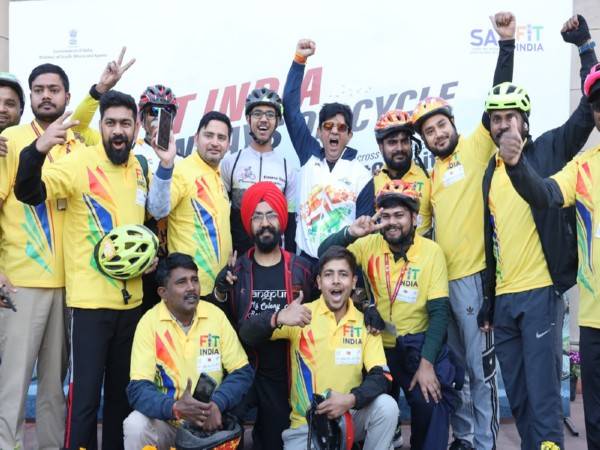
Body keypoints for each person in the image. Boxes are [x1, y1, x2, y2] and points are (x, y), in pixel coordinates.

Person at [479, 16, 599, 449]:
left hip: (542, 292)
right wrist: (490, 301)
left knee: (546, 399)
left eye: (511, 116)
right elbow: (491, 242)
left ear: (525, 122)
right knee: (522, 399)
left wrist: (585, 46)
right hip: (505, 302)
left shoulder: (550, 148)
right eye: (496, 118)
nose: (503, 125)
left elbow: (591, 105)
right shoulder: (487, 173)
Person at [14, 90, 149, 450]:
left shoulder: (138, 168)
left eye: (124, 123)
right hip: (89, 305)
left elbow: (141, 228)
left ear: (136, 127)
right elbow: (28, 191)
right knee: (85, 401)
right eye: (110, 123)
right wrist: (37, 149)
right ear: (100, 127)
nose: (117, 131)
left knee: (121, 400)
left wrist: (149, 257)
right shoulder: (79, 162)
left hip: (131, 303)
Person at [410, 12, 517, 449]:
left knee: (479, 370)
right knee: (456, 371)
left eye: (441, 125)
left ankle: (486, 444)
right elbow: (420, 231)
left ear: (453, 124)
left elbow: (498, 99)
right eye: (429, 131)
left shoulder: (475, 147)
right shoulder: (430, 175)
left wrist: (506, 44)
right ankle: (468, 439)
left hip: (475, 281)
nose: (437, 133)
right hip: (441, 288)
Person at [319, 180, 460, 450]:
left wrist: (427, 363)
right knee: (368, 403)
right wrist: (351, 232)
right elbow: (324, 256)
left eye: (399, 215)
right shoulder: (369, 243)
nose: (392, 222)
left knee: (430, 398)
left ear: (414, 218)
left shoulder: (432, 252)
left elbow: (440, 312)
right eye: (385, 216)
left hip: (416, 345)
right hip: (376, 346)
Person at [0, 63, 87, 450]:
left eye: (54, 89)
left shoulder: (77, 143)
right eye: (38, 90)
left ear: (67, 96)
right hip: (21, 283)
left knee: (55, 388)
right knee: (14, 384)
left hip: (68, 285)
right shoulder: (10, 140)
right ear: (30, 98)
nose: (46, 95)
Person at [240, 245, 398, 450]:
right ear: (318, 282)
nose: (336, 281)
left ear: (353, 281)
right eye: (328, 275)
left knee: (387, 406)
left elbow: (382, 377)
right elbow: (246, 334)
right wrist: (278, 317)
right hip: (306, 427)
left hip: (348, 418)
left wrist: (350, 400)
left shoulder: (366, 323)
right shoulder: (301, 315)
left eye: (343, 274)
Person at [212, 181, 314, 450]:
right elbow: (225, 323)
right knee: (222, 435)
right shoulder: (238, 270)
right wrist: (220, 291)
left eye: (271, 215)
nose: (265, 222)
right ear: (249, 223)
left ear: (281, 219)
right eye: (257, 216)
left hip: (282, 376)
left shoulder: (301, 270)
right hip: (241, 371)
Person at [123, 252, 253, 450]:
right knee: (135, 425)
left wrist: (217, 404)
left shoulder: (214, 315)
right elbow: (138, 388)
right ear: (163, 292)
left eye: (194, 280)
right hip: (167, 420)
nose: (191, 287)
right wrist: (175, 408)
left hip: (208, 421)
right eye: (181, 282)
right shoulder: (149, 323)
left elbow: (242, 372)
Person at [282, 39, 371, 268]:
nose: (334, 132)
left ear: (350, 135)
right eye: (328, 126)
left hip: (341, 266)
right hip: (305, 263)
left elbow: (365, 233)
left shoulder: (362, 176)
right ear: (319, 132)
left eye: (341, 128)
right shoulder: (308, 154)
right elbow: (290, 109)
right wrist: (299, 61)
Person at [147, 111, 233, 298]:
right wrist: (166, 164)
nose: (215, 142)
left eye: (221, 137)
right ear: (196, 138)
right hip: (189, 290)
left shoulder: (218, 176)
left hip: (218, 289)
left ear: (228, 144)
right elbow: (157, 209)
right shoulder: (182, 171)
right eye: (208, 135)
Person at [221, 87, 298, 254]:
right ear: (248, 118)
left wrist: (291, 263)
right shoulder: (230, 163)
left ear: (277, 121)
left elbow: (290, 223)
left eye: (270, 115)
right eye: (257, 114)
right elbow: (220, 216)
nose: (263, 119)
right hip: (239, 260)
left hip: (273, 259)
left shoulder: (287, 169)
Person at [356, 109, 432, 236]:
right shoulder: (372, 184)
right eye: (392, 142)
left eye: (404, 141)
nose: (400, 148)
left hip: (423, 254)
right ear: (381, 146)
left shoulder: (429, 178)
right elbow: (363, 236)